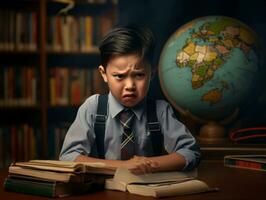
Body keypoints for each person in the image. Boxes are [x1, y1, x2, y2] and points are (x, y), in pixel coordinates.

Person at [59, 25, 201, 174]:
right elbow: (68, 157)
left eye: (139, 75)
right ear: (104, 73)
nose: (130, 86)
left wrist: (149, 164)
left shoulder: (160, 110)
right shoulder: (93, 108)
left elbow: (191, 152)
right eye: (119, 76)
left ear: (152, 73)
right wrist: (122, 166)